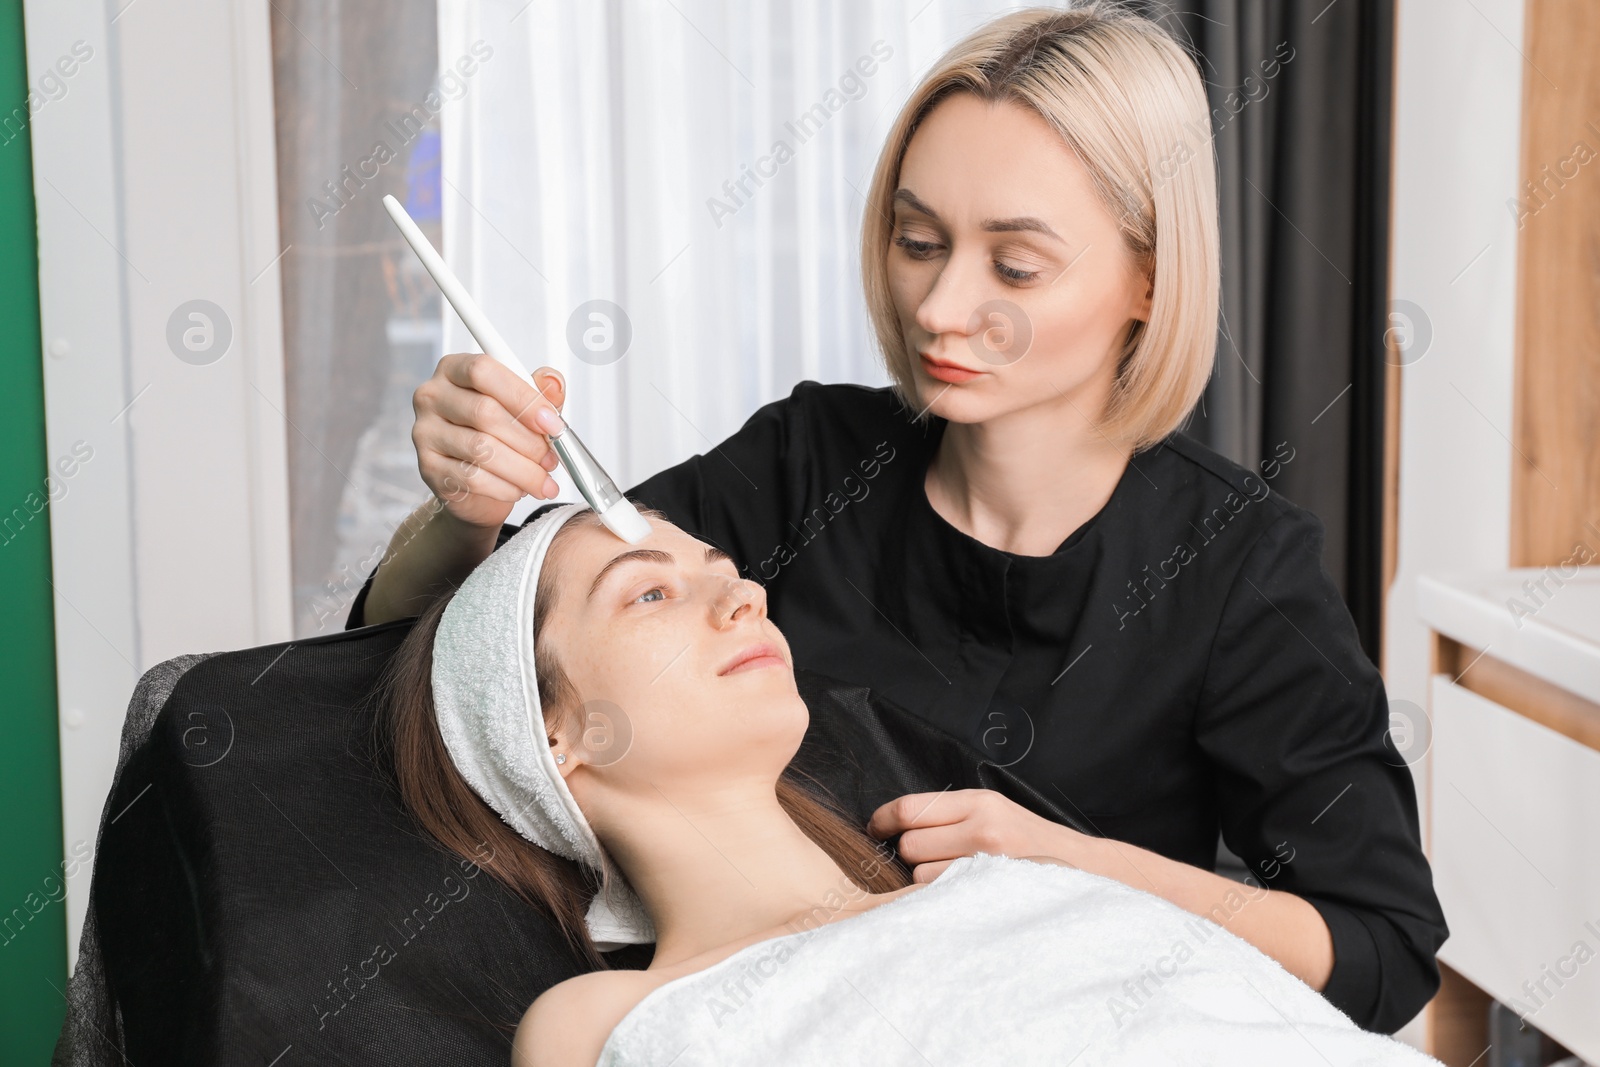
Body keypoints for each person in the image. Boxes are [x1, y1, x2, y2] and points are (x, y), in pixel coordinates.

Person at [352, 3, 1446, 1032]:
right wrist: (469, 517)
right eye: (918, 241)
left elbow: (1383, 952)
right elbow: (493, 654)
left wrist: (1077, 864)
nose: (938, 306)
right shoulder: (806, 461)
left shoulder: (1238, 571)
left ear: (1148, 280)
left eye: (1014, 264)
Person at [384, 503, 1442, 1067]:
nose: (741, 593)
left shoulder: (1009, 884)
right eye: (652, 590)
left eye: (724, 569)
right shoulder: (600, 1017)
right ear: (550, 729)